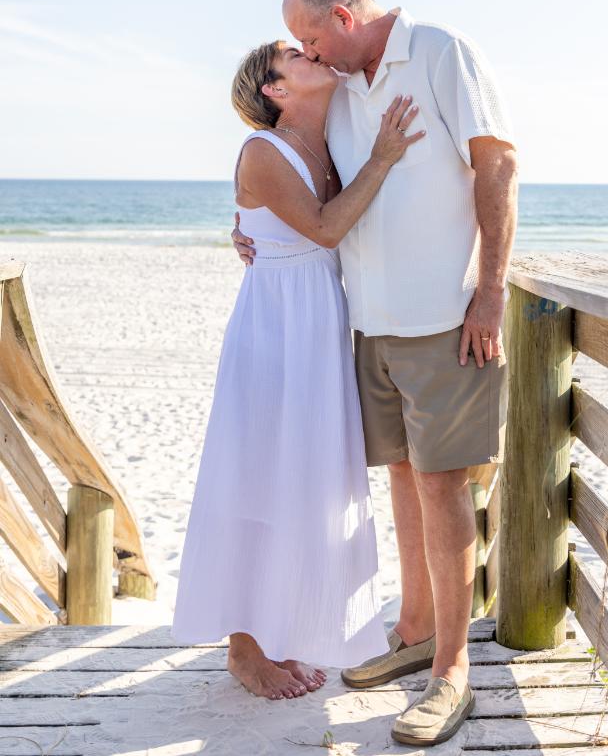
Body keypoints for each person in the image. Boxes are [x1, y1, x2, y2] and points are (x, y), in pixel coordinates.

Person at [233, 0, 517, 746]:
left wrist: (490, 290)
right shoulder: (346, 85)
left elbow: (497, 166)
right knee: (401, 476)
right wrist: (252, 231)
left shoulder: (439, 52)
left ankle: (450, 672)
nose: (306, 50)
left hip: (442, 321)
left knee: (441, 483)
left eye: (311, 35)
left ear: (346, 13)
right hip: (368, 326)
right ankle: (416, 629)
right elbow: (305, 190)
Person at [172, 38, 423, 701]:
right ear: (275, 90)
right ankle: (244, 649)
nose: (310, 53)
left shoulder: (330, 137)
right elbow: (325, 226)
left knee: (300, 479)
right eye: (294, 55)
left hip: (318, 325)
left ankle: (280, 630)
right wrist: (384, 158)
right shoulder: (263, 149)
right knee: (255, 473)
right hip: (274, 331)